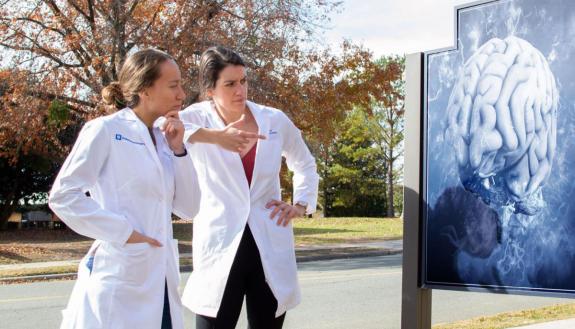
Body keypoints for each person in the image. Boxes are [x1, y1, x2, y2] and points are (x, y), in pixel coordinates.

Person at [48, 48, 197, 329]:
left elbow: (189, 207)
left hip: (161, 279)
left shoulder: (166, 137)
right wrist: (126, 234)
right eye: (173, 85)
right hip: (121, 273)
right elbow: (63, 196)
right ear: (145, 90)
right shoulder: (104, 130)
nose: (181, 94)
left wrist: (179, 151)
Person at [179, 46, 320, 329]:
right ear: (210, 90)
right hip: (220, 242)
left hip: (267, 239)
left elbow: (304, 162)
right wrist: (216, 137)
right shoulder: (195, 118)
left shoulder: (274, 119)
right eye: (229, 84)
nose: (240, 90)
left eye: (243, 81)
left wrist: (301, 205)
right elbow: (161, 126)